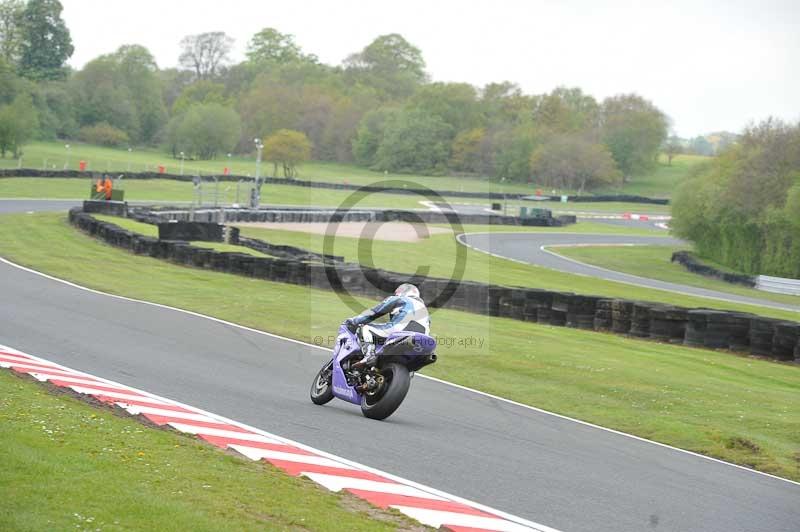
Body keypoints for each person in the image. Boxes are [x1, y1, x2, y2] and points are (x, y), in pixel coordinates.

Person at [345, 283, 430, 368]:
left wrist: (353, 321)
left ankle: (369, 356)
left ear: (403, 292)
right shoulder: (426, 311)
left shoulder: (400, 299)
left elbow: (374, 312)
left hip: (400, 332)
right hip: (422, 341)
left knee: (365, 328)